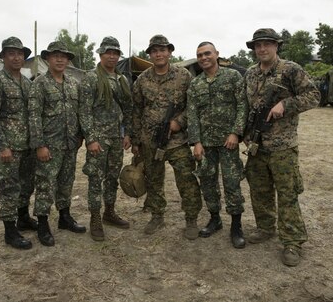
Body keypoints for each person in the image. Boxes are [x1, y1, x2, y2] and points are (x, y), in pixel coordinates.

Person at [242, 28, 320, 266]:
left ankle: (292, 242)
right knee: (259, 190)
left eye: (267, 44)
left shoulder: (291, 69)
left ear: (277, 46)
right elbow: (247, 107)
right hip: (257, 145)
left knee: (287, 195)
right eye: (258, 45)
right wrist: (245, 134)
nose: (262, 49)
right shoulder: (251, 74)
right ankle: (265, 228)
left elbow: (314, 95)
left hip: (282, 146)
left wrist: (285, 104)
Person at [132, 34, 202, 240]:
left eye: (162, 50)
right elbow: (136, 110)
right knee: (154, 180)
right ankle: (157, 215)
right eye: (154, 51)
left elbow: (193, 105)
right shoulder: (143, 79)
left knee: (186, 178)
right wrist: (136, 140)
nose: (159, 54)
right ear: (150, 54)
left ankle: (191, 218)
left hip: (177, 141)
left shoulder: (184, 76)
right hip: (150, 140)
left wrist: (179, 121)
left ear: (170, 52)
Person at [187, 42, 248, 248]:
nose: (203, 58)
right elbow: (192, 114)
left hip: (227, 142)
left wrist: (235, 133)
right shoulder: (195, 84)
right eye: (199, 55)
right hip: (206, 144)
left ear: (217, 55)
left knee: (232, 183)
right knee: (207, 182)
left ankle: (236, 226)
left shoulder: (233, 77)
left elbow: (242, 105)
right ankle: (215, 219)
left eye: (207, 53)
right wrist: (196, 142)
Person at [28, 41, 86, 247]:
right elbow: (34, 116)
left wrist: (80, 135)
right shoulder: (40, 84)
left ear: (68, 60)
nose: (60, 59)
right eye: (55, 56)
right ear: (48, 59)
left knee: (66, 182)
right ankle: (43, 224)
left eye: (64, 56)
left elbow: (79, 113)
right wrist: (39, 145)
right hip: (49, 146)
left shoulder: (73, 84)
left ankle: (64, 217)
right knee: (45, 185)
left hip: (70, 144)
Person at [0, 36, 37, 250]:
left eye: (20, 54)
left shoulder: (26, 81)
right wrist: (1, 146)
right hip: (9, 147)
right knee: (8, 187)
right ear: (3, 56)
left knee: (26, 184)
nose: (17, 57)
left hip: (27, 146)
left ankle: (23, 217)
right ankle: (9, 230)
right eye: (12, 53)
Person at [79, 36, 132, 241]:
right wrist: (91, 139)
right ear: (101, 54)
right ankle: (95, 219)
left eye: (115, 53)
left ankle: (109, 212)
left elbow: (127, 108)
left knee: (112, 178)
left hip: (116, 137)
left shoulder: (122, 79)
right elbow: (84, 111)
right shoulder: (91, 77)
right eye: (108, 52)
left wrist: (127, 133)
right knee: (95, 178)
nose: (112, 56)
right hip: (99, 139)